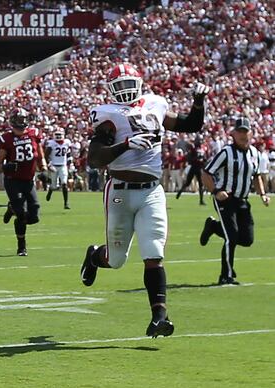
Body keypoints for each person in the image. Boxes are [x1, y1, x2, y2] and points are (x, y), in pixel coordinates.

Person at [79, 63, 208, 338]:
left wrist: (199, 102)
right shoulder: (108, 114)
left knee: (154, 253)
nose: (125, 92)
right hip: (120, 192)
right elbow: (94, 159)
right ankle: (94, 255)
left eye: (129, 84)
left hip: (151, 191)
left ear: (139, 83)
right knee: (115, 260)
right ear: (111, 90)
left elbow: (191, 125)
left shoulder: (156, 104)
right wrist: (125, 145)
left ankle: (159, 317)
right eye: (120, 86)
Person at [199, 118, 270, 285]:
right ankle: (226, 275)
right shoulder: (226, 153)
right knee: (231, 237)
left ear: (251, 133)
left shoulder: (255, 153)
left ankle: (213, 226)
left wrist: (263, 194)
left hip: (243, 201)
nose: (243, 135)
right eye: (240, 132)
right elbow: (206, 173)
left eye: (246, 132)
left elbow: (256, 176)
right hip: (226, 199)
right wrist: (216, 191)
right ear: (234, 134)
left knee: (246, 239)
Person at [0, 108, 47, 256]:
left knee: (34, 215)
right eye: (18, 120)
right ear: (13, 121)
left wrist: (43, 169)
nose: (21, 123)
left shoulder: (34, 134)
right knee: (22, 214)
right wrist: (6, 166)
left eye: (23, 120)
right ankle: (21, 247)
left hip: (29, 181)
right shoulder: (7, 138)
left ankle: (12, 208)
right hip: (13, 181)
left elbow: (40, 154)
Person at [45, 128, 72, 209]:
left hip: (63, 166)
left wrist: (69, 161)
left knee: (64, 184)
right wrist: (49, 165)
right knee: (54, 186)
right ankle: (51, 189)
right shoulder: (51, 143)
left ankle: (66, 203)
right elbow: (46, 155)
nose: (58, 136)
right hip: (54, 165)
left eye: (60, 134)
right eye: (57, 134)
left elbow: (68, 153)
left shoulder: (67, 142)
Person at [176, 136, 207, 204]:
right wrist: (196, 158)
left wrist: (203, 160)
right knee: (188, 182)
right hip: (194, 167)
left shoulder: (203, 148)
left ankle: (201, 200)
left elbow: (205, 159)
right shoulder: (193, 149)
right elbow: (189, 158)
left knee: (201, 184)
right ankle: (180, 192)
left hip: (199, 168)